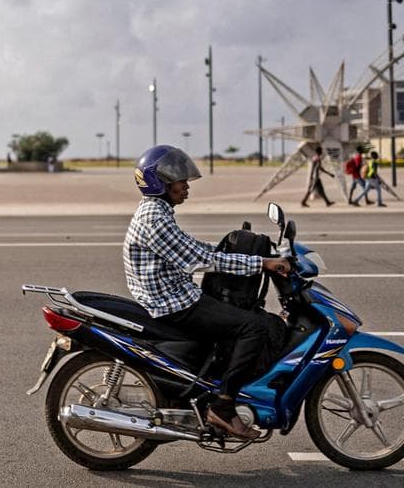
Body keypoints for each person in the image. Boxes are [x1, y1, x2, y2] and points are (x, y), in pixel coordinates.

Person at [123, 145, 291, 440]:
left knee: (238, 316)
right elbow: (201, 260)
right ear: (160, 182)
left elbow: (194, 249)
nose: (186, 187)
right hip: (174, 303)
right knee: (253, 327)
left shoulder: (158, 210)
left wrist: (236, 253)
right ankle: (223, 407)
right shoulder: (155, 218)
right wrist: (262, 262)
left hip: (173, 295)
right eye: (180, 181)